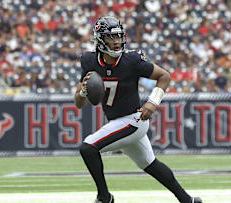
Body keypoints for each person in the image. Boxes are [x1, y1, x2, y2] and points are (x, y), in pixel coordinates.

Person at [74, 16, 202, 203]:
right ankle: (187, 200)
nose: (117, 42)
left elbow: (164, 76)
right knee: (150, 164)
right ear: (100, 39)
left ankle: (104, 197)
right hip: (118, 122)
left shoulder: (131, 60)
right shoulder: (88, 61)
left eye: (119, 37)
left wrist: (152, 102)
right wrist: (84, 92)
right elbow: (79, 103)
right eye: (112, 38)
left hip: (134, 119)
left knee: (88, 147)